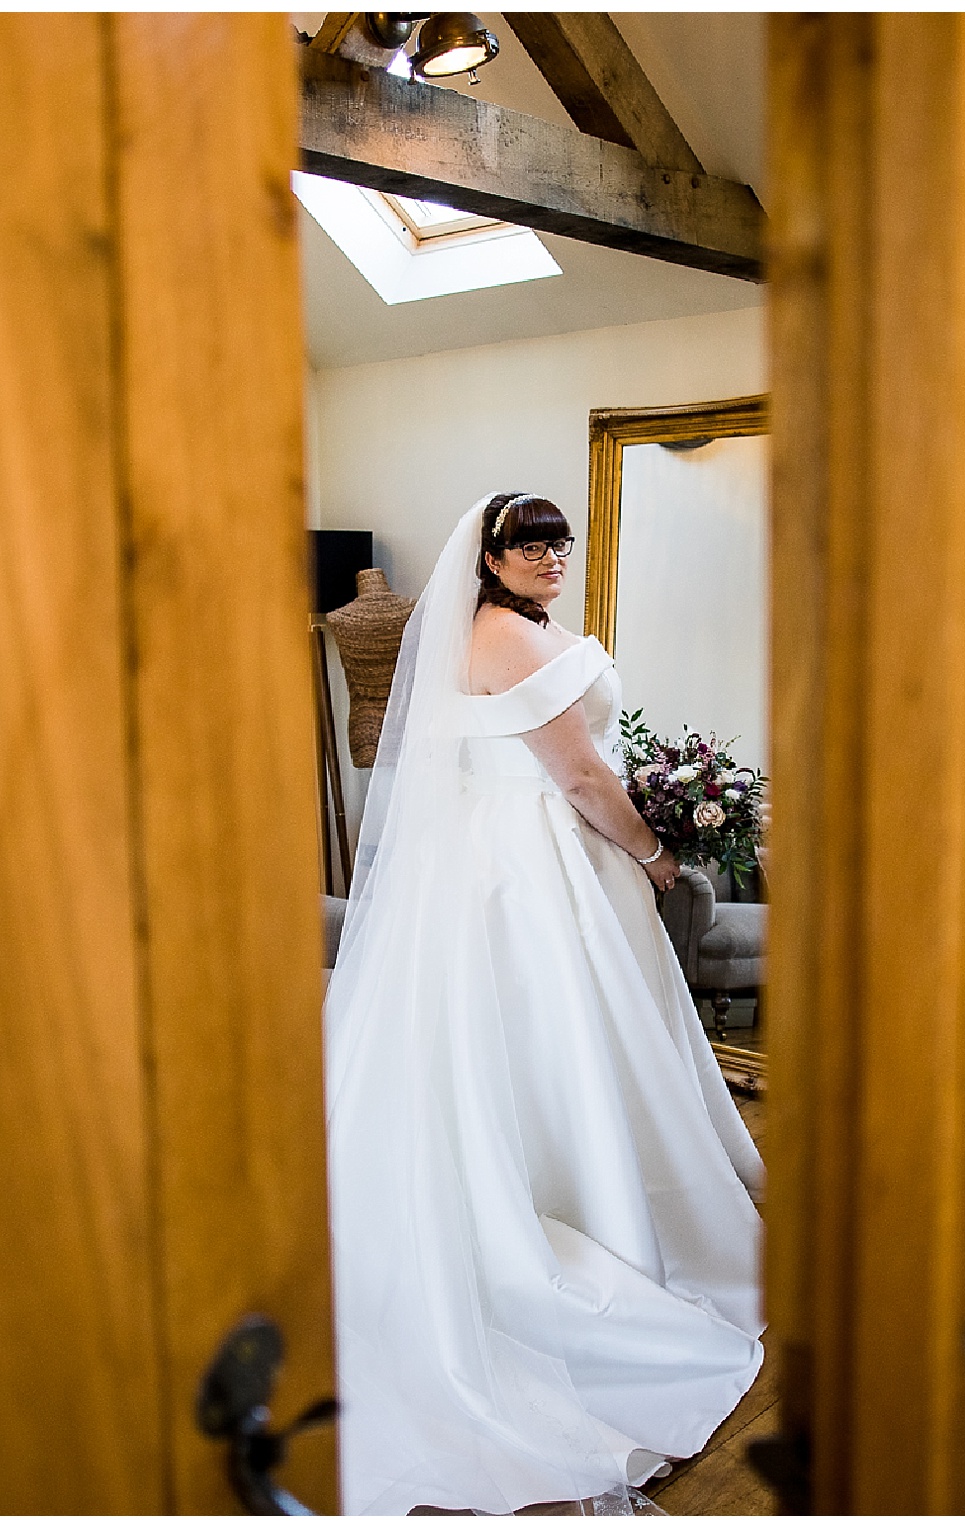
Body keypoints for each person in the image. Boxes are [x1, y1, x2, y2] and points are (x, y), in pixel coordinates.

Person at [324, 492, 765, 1516]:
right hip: (532, 866)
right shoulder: (497, 632)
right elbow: (575, 777)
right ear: (490, 555)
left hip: (506, 854)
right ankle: (586, 1211)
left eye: (559, 541)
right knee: (554, 1041)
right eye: (531, 543)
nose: (551, 556)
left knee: (558, 1047)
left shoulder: (514, 629)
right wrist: (653, 853)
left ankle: (596, 1186)